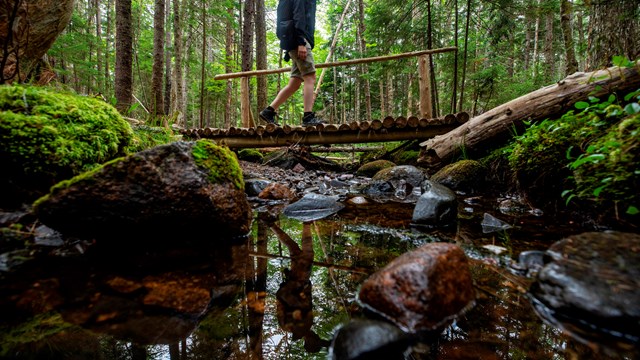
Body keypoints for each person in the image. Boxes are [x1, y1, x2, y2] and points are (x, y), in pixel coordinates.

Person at [259, 0, 325, 127]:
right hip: (298, 41)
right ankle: (308, 117)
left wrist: (290, 44)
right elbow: (298, 15)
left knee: (295, 82)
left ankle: (268, 111)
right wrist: (300, 42)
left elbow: (286, 18)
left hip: (293, 41)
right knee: (310, 77)